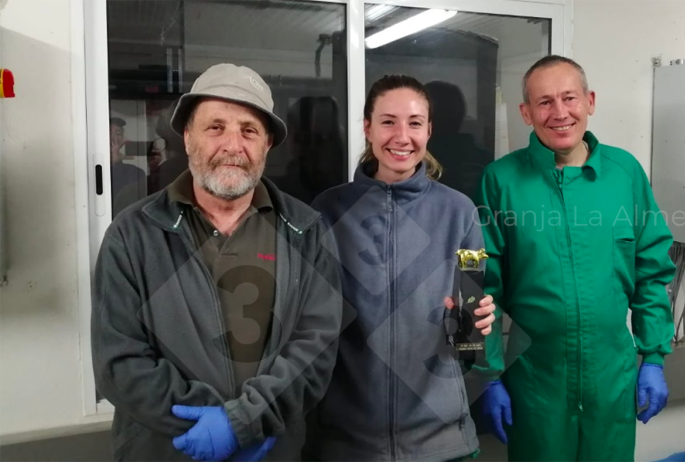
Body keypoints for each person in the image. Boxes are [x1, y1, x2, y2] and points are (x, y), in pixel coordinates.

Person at [92, 63, 343, 461]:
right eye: (215, 127)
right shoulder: (132, 235)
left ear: (266, 146)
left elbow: (316, 350)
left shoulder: (306, 231)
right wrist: (212, 422)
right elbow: (119, 363)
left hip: (271, 451)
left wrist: (244, 421)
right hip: (165, 451)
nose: (232, 144)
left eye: (248, 130)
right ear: (188, 137)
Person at [475, 56, 676, 461]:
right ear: (526, 113)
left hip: (611, 379)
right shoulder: (501, 180)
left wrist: (653, 357)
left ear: (590, 101)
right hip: (535, 379)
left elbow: (651, 271)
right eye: (544, 102)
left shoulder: (625, 173)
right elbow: (484, 287)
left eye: (570, 98)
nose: (560, 112)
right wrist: (489, 374)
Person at [305, 75, 497, 461]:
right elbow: (311, 322)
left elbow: (470, 334)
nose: (401, 136)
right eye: (388, 121)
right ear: (367, 127)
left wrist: (472, 324)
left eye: (414, 123)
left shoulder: (459, 212)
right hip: (347, 442)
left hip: (442, 442)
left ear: (428, 130)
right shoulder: (328, 210)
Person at [109, 117, 147, 216]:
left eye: (118, 133)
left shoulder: (135, 172)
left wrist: (116, 162)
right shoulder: (86, 167)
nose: (114, 138)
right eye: (109, 133)